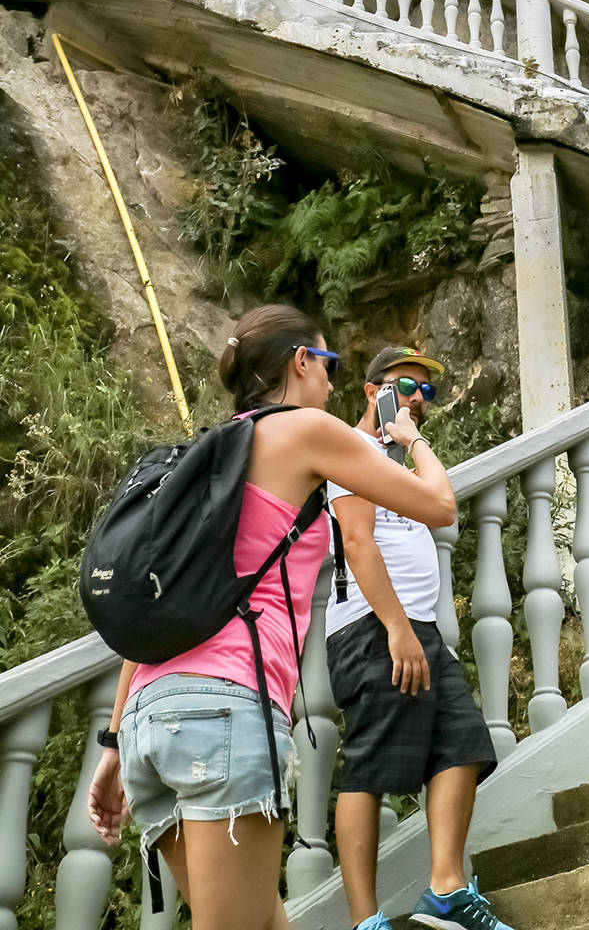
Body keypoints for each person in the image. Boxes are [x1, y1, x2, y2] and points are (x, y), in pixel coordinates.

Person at [86, 305, 456, 930]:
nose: (334, 384)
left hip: (151, 720)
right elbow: (439, 506)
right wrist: (410, 439)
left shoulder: (206, 457)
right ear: (301, 361)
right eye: (329, 364)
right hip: (224, 713)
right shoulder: (306, 430)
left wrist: (116, 743)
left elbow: (162, 609)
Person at [325, 345, 506, 930]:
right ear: (371, 390)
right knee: (371, 765)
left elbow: (442, 507)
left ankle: (447, 890)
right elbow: (357, 543)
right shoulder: (345, 452)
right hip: (372, 628)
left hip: (417, 628)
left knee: (464, 745)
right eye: (406, 387)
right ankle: (364, 921)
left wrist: (410, 441)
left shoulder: (395, 462)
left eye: (426, 392)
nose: (418, 401)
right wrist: (397, 628)